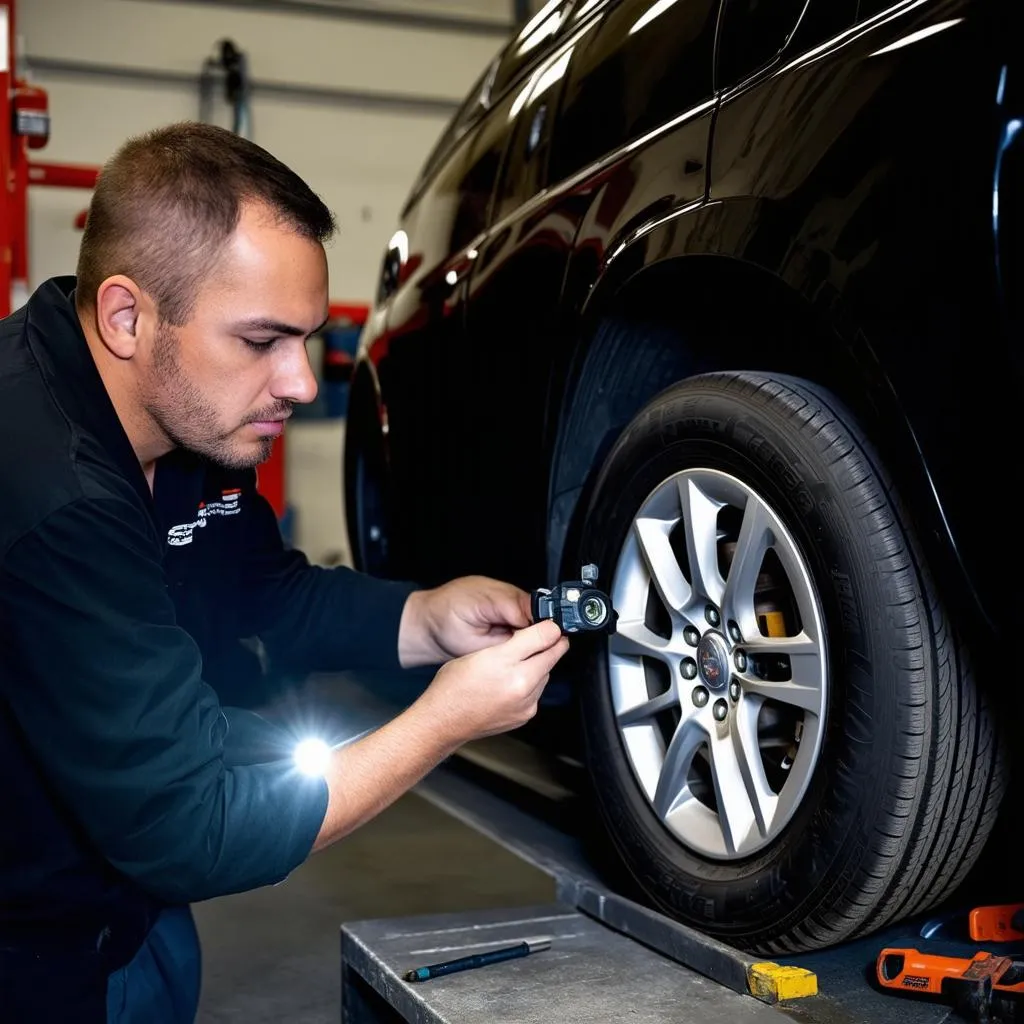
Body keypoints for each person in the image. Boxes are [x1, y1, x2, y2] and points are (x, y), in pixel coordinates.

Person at [0, 122, 570, 1023]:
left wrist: (424, 617)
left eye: (305, 338)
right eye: (263, 339)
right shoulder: (51, 492)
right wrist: (443, 722)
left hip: (129, 912)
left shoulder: (189, 412)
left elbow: (264, 588)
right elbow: (192, 827)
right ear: (125, 316)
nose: (301, 384)